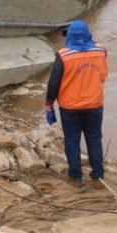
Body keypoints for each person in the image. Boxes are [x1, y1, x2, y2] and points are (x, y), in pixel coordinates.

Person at [45, 20, 108, 187]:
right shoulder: (101, 51)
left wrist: (49, 103)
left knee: (72, 140)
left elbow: (54, 83)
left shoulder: (64, 55)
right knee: (94, 139)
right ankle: (98, 177)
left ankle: (75, 177)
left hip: (70, 106)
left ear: (70, 35)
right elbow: (102, 73)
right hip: (94, 104)